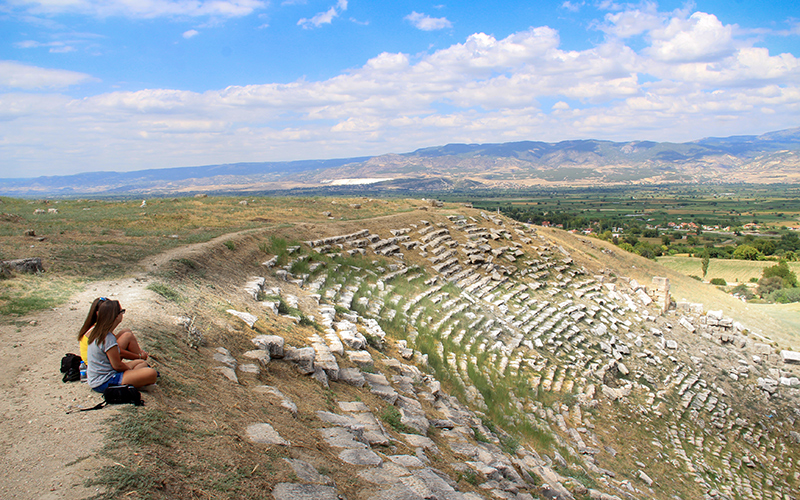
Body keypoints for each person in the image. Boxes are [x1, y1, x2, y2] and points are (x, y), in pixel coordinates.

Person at [81, 298, 158, 392]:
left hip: (100, 377)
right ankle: (135, 382)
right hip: (105, 381)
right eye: (122, 311)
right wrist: (129, 370)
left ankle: (136, 380)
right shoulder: (107, 338)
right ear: (116, 316)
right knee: (151, 373)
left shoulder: (98, 332)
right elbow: (117, 366)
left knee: (141, 363)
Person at [78, 297, 150, 363]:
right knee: (127, 336)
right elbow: (118, 351)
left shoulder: (97, 327)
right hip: (96, 364)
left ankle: (141, 359)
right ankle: (141, 360)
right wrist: (138, 356)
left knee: (125, 331)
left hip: (97, 360)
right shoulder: (98, 331)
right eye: (120, 311)